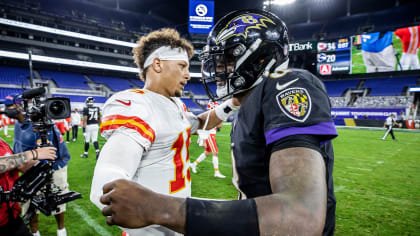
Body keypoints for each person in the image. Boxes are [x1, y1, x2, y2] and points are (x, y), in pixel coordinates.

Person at [98, 10, 337, 236]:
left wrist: (157, 207)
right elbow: (196, 124)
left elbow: (300, 216)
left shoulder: (286, 84)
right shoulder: (247, 103)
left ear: (259, 55)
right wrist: (233, 103)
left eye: (228, 58)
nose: (217, 68)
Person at [90, 28, 238, 236]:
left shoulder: (174, 105)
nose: (188, 75)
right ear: (158, 64)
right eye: (182, 66)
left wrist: (233, 103)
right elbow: (107, 180)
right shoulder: (139, 105)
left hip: (176, 222)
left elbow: (201, 123)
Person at [12, 103, 71, 236]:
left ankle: (61, 230)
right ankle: (35, 232)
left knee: (59, 197)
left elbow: (58, 140)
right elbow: (20, 148)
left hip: (56, 165)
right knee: (31, 201)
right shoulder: (21, 125)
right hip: (31, 168)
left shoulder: (48, 120)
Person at [190, 101, 225, 178]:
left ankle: (193, 164)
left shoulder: (210, 114)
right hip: (209, 135)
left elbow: (219, 126)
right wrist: (204, 140)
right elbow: (219, 126)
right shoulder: (210, 115)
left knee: (207, 153)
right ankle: (216, 172)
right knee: (215, 153)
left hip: (210, 135)